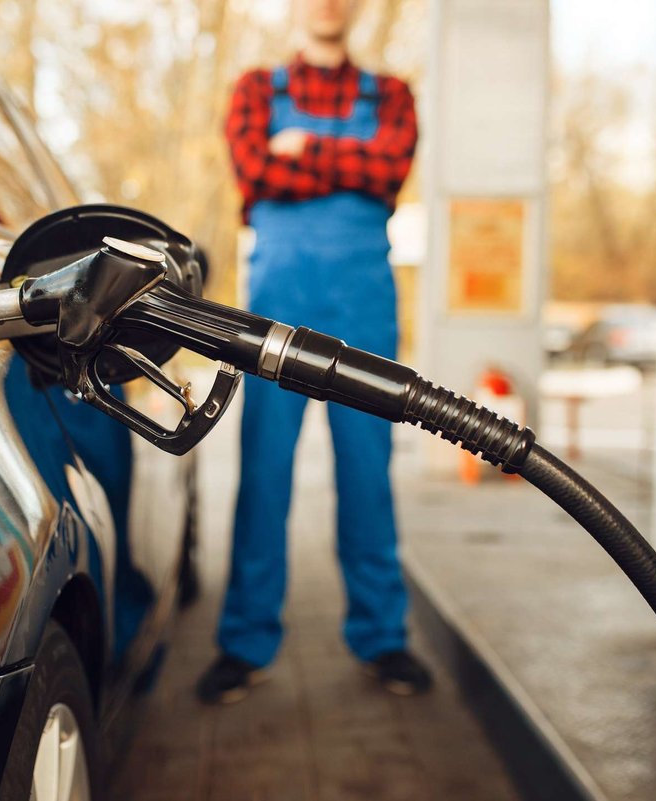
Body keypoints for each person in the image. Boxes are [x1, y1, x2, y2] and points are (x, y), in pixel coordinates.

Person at [197, 0, 431, 704]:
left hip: (365, 307)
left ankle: (382, 636)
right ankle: (244, 641)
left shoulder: (392, 95)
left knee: (368, 472)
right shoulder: (253, 92)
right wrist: (343, 165)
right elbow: (256, 174)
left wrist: (303, 149)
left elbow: (390, 169)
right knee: (263, 472)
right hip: (277, 307)